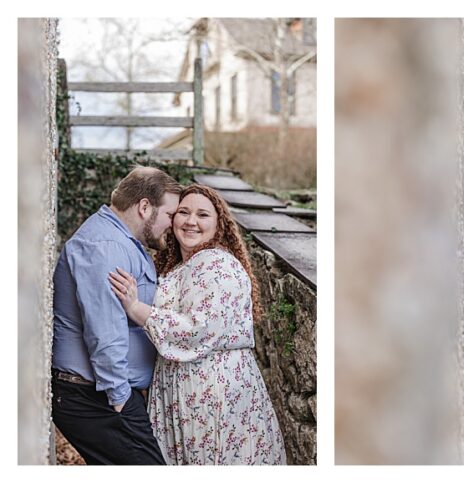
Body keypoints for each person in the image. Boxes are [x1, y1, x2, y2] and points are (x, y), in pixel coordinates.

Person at [107, 184, 287, 465]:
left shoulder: (216, 264)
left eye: (203, 215)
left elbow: (196, 329)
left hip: (213, 391)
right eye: (184, 212)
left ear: (219, 225)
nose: (191, 221)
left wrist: (135, 308)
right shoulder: (184, 265)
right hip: (187, 389)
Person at [51, 166, 182, 465]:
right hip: (97, 397)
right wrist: (121, 398)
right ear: (145, 207)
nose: (173, 225)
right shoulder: (106, 246)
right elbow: (104, 331)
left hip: (104, 395)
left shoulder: (121, 241)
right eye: (170, 215)